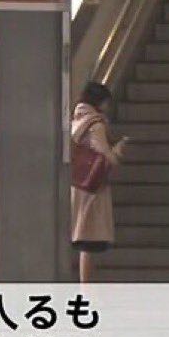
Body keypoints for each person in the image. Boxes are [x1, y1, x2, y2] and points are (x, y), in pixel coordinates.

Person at [70, 82, 127, 283]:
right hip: (94, 186)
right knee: (89, 240)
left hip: (80, 184)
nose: (107, 106)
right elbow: (104, 155)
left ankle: (86, 283)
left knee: (85, 237)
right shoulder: (96, 125)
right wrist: (118, 150)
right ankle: (86, 285)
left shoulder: (78, 120)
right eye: (105, 102)